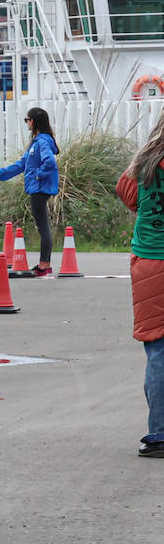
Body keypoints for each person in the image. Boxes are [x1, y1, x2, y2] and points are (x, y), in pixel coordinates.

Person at [114, 112, 164, 457]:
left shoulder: (145, 161)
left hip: (148, 260)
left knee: (158, 350)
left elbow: (126, 192)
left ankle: (159, 433)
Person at [0, 107, 60, 277]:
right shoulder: (37, 143)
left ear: (33, 122)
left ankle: (44, 265)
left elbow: (50, 163)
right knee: (43, 227)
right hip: (37, 188)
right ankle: (44, 263)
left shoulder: (42, 142)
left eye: (27, 120)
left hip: (40, 188)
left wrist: (37, 176)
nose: (26, 123)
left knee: (43, 227)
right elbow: (21, 165)